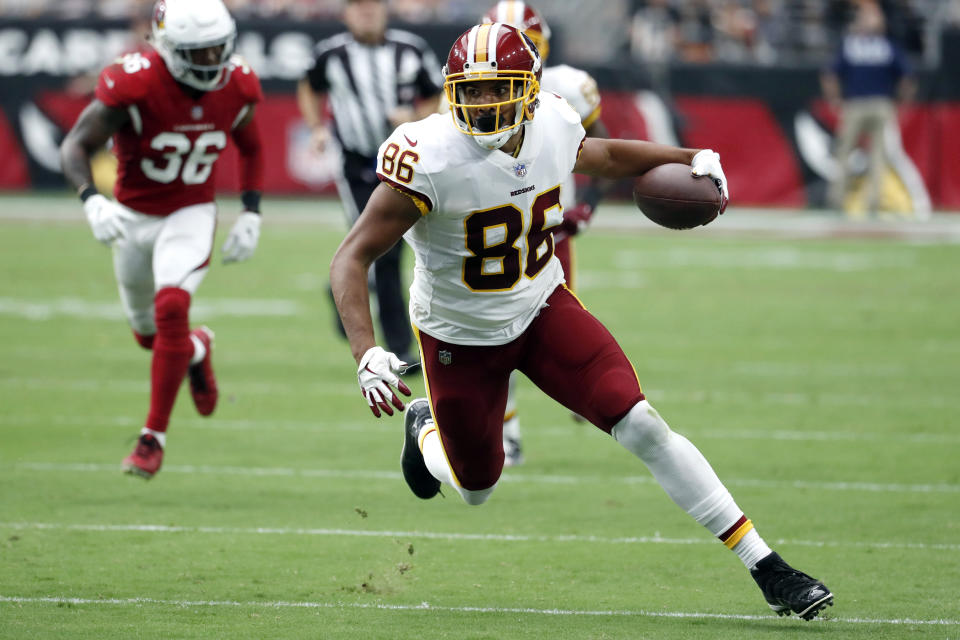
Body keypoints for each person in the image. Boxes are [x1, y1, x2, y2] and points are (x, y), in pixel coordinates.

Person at [329, 23, 834, 620]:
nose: (485, 103)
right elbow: (351, 257)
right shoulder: (427, 154)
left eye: (500, 89)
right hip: (460, 336)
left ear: (530, 91)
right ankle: (425, 430)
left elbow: (607, 155)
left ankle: (767, 566)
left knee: (642, 423)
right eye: (473, 91)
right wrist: (366, 352)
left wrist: (688, 157)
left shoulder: (553, 122)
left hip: (542, 304)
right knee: (476, 487)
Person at [59, 0, 264, 479]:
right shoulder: (134, 81)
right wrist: (91, 198)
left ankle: (153, 438)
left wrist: (251, 211)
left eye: (219, 49)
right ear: (168, 47)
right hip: (132, 217)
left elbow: (251, 147)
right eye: (200, 52)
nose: (213, 62)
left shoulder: (237, 83)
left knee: (172, 308)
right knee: (148, 334)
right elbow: (76, 144)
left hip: (190, 212)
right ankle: (196, 349)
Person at [480, 1, 610, 466]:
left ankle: (589, 388)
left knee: (561, 335)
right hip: (491, 236)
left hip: (549, 233)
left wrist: (587, 207)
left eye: (526, 45)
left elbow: (604, 148)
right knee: (496, 336)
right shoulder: (473, 96)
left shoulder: (567, 90)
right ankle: (508, 431)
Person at [297, 0, 443, 366]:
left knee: (385, 248)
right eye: (358, 6)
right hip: (357, 164)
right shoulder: (330, 54)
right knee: (384, 249)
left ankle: (341, 291)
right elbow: (308, 87)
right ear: (346, 13)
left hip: (405, 162)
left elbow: (438, 97)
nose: (366, 13)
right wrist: (316, 127)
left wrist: (412, 115)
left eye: (373, 5)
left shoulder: (410, 49)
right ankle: (398, 346)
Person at [821, 1, 915, 216]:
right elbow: (830, 74)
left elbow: (907, 78)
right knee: (846, 153)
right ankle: (837, 200)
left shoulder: (885, 45)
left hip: (878, 104)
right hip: (859, 104)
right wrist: (835, 99)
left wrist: (900, 102)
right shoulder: (853, 43)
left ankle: (871, 202)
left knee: (877, 155)